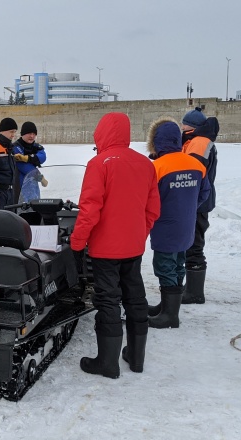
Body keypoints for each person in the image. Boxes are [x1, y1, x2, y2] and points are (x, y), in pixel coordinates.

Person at [70, 112, 160, 378]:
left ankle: (107, 364)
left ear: (101, 133)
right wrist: (137, 235)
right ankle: (136, 357)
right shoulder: (145, 164)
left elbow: (89, 211)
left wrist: (77, 243)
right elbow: (152, 210)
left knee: (108, 301)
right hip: (133, 248)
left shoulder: (99, 163)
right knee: (135, 298)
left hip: (104, 250)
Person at [145, 118, 210, 330]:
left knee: (164, 266)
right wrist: (188, 207)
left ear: (156, 142)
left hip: (165, 227)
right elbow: (205, 194)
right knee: (179, 263)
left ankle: (170, 316)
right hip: (186, 226)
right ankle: (167, 307)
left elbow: (148, 198)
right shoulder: (196, 164)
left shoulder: (157, 167)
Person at [180, 107, 219, 305]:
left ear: (190, 126)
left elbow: (192, 173)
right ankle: (192, 288)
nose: (181, 126)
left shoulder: (198, 142)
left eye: (183, 123)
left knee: (194, 244)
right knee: (193, 242)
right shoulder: (196, 140)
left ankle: (195, 292)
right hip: (200, 200)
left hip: (198, 202)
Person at [12, 121, 48, 202]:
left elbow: (43, 157)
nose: (32, 136)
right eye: (29, 133)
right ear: (23, 134)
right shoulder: (15, 147)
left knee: (35, 209)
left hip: (33, 186)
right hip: (20, 186)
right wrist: (40, 177)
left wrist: (27, 158)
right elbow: (24, 166)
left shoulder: (36, 147)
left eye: (34, 134)